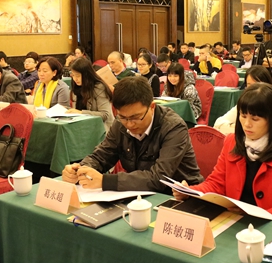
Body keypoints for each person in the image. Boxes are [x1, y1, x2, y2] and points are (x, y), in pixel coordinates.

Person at [175, 83, 272, 225]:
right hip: (238, 222)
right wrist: (189, 192)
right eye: (243, 116)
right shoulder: (232, 142)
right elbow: (216, 184)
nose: (246, 124)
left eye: (255, 119)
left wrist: (256, 216)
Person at [62, 76, 203, 192]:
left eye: (135, 117)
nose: (129, 124)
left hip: (180, 197)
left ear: (152, 107)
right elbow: (102, 156)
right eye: (123, 117)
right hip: (139, 194)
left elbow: (159, 178)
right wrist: (80, 169)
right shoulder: (120, 124)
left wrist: (106, 181)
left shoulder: (174, 127)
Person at [214, 65, 272, 134]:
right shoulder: (245, 103)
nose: (253, 89)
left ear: (268, 84)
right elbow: (218, 123)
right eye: (249, 85)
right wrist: (241, 128)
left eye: (257, 85)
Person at [68, 57, 115, 130]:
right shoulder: (76, 87)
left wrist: (80, 113)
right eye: (73, 75)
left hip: (100, 128)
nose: (75, 79)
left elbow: (105, 115)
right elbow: (75, 109)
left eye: (77, 76)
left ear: (86, 75)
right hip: (82, 126)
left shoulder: (98, 87)